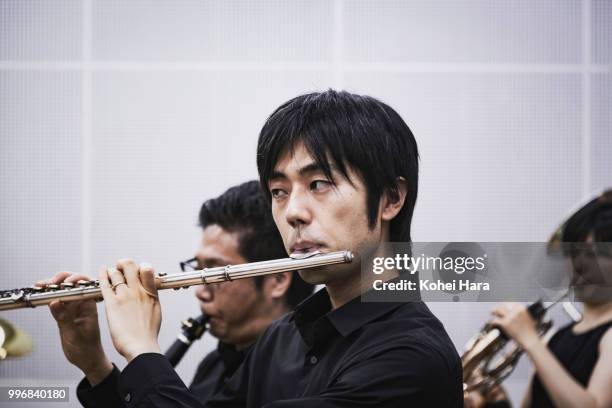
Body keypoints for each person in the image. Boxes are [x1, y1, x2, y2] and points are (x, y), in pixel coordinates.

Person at [78, 90, 464, 407]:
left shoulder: (411, 359)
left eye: (319, 184)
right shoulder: (282, 337)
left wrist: (144, 352)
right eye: (279, 192)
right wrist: (97, 367)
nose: (292, 212)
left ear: (390, 198)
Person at [41, 180, 313, 407]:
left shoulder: (304, 372)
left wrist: (141, 349)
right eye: (198, 269)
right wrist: (95, 365)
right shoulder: (215, 364)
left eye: (215, 273)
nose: (200, 290)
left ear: (277, 280)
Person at [468, 190, 612, 408]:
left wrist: (530, 340)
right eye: (573, 253)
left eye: (592, 253)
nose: (578, 265)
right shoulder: (555, 339)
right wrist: (495, 402)